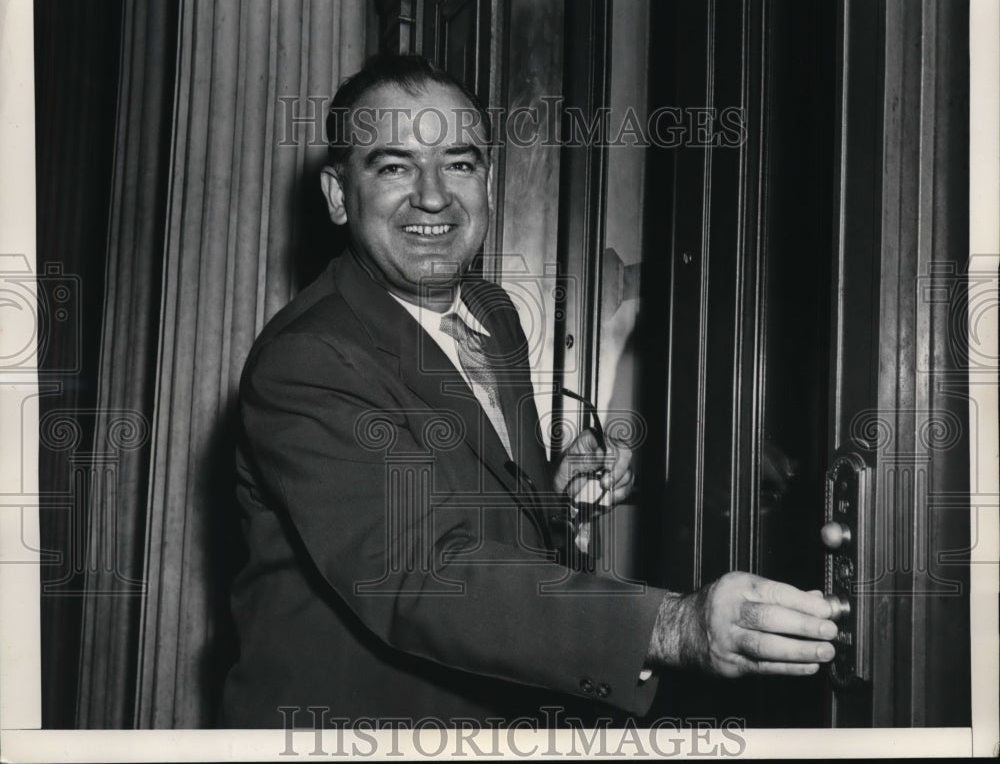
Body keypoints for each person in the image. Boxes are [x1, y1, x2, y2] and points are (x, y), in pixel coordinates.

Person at [220, 54, 838, 728]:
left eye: (459, 163)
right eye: (395, 167)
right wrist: (673, 625)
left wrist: (550, 492)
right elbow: (423, 574)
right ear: (339, 195)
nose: (433, 196)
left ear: (488, 180)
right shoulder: (307, 360)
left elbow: (472, 502)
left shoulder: (490, 313)